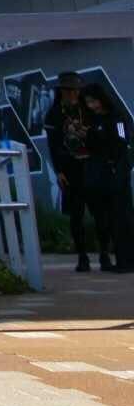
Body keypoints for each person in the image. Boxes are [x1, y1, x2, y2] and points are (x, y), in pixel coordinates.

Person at [44, 69, 107, 272]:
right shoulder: (54, 114)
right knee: (76, 215)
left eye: (75, 90)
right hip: (71, 170)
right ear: (62, 91)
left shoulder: (87, 109)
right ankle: (82, 256)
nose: (73, 94)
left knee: (100, 213)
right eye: (69, 90)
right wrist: (59, 171)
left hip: (91, 166)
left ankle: (105, 254)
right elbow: (53, 145)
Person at [82, 86, 132, 273]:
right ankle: (121, 259)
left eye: (93, 101)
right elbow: (92, 146)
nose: (92, 106)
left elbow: (122, 141)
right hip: (103, 177)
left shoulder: (116, 117)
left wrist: (115, 164)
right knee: (111, 219)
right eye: (88, 102)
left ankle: (127, 261)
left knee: (122, 217)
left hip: (117, 173)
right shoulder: (95, 121)